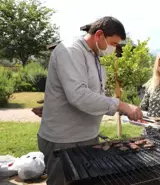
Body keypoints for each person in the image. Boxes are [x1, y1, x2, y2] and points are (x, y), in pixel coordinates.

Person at [37, 16, 143, 185]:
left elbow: (92, 94)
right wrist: (120, 105)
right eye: (113, 44)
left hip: (88, 136)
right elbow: (78, 94)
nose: (114, 49)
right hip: (64, 140)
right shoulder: (70, 50)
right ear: (99, 35)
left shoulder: (95, 57)